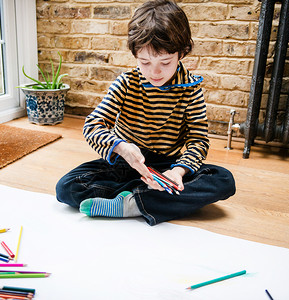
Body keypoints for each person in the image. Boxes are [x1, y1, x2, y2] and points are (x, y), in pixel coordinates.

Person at [56, 0, 236, 226]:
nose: (155, 72)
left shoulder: (191, 89)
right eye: (145, 62)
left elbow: (198, 141)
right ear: (135, 55)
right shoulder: (126, 83)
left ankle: (132, 203)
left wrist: (178, 172)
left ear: (183, 52)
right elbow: (93, 125)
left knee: (224, 180)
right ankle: (148, 197)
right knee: (66, 187)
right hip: (126, 163)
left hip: (167, 167)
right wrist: (121, 147)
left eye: (166, 62)